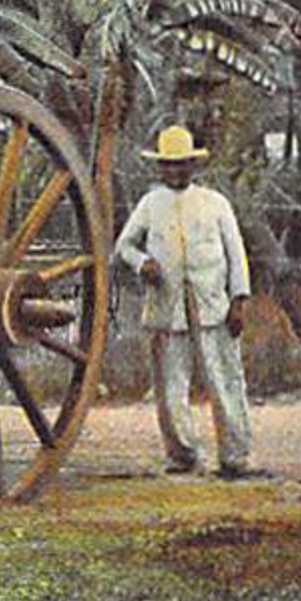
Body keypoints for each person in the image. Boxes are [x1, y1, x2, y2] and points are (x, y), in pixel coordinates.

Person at [115, 125, 269, 480]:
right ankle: (183, 454)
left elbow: (236, 255)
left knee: (225, 379)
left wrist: (238, 301)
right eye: (169, 165)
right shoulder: (150, 204)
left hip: (213, 304)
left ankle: (235, 456)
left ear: (193, 166)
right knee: (171, 387)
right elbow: (124, 247)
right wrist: (143, 263)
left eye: (182, 164)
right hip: (167, 307)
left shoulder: (215, 203)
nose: (175, 171)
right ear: (160, 168)